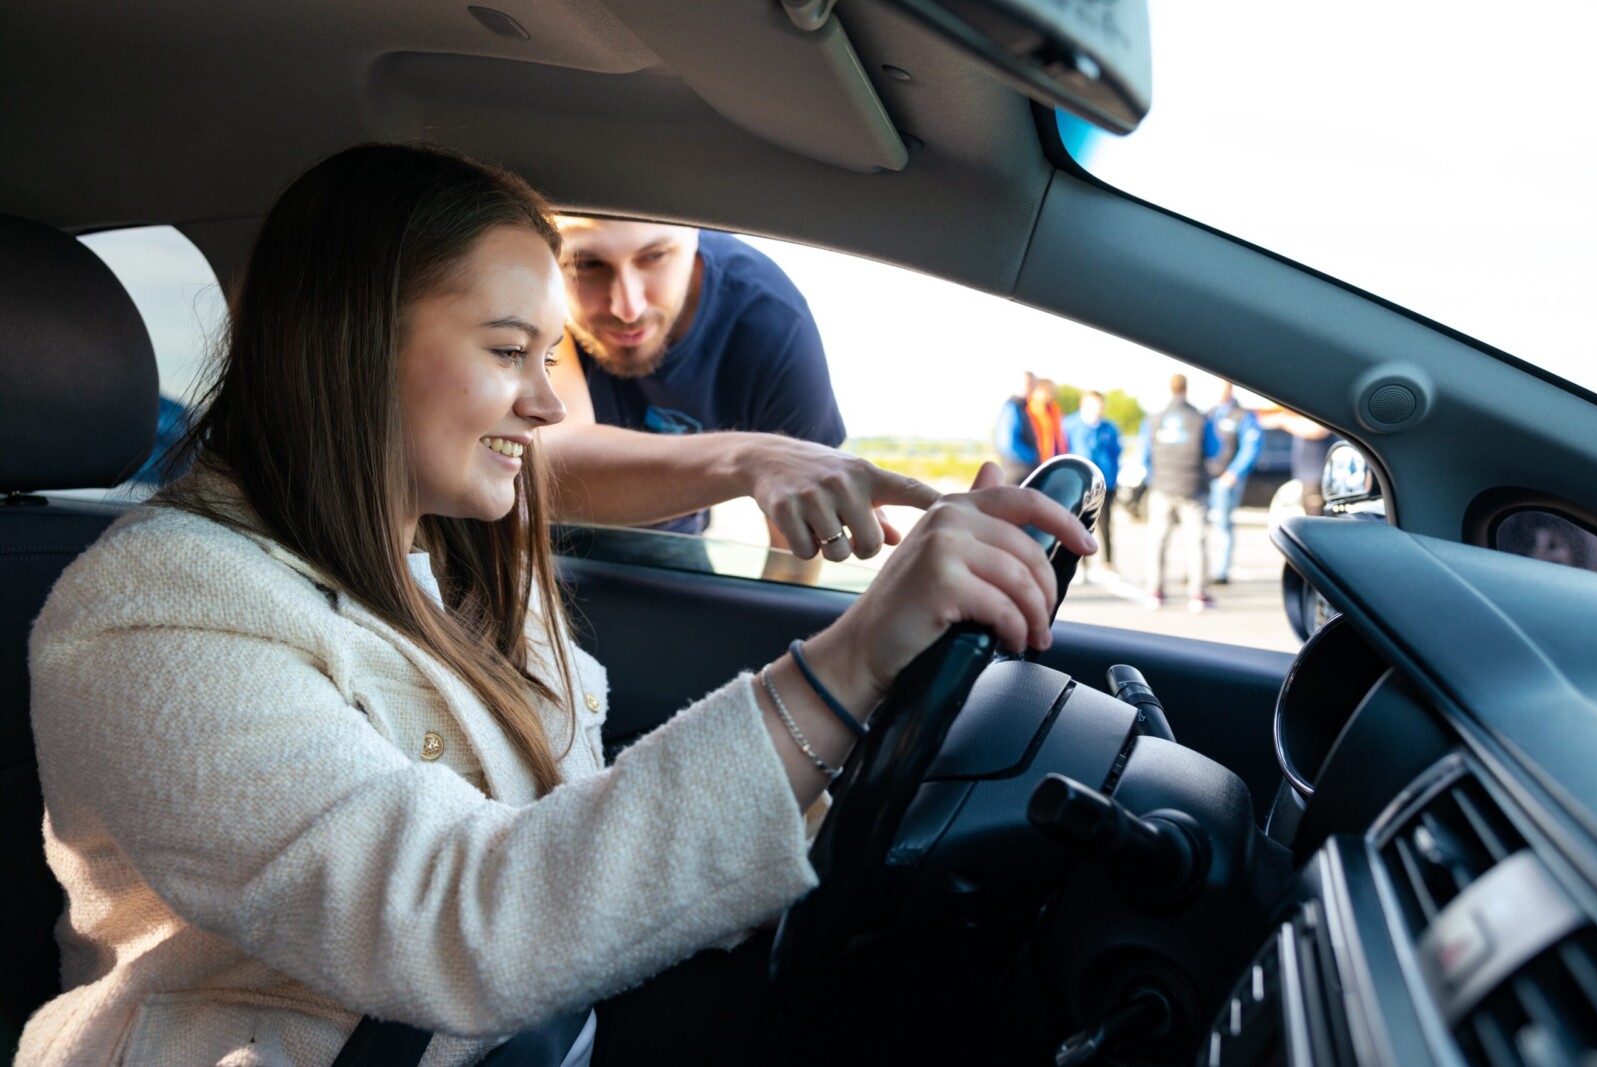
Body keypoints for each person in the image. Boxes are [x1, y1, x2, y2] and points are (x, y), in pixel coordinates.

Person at [21, 143, 1095, 1067]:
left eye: (549, 356)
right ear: (345, 348)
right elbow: (457, 921)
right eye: (505, 352)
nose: (544, 401)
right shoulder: (151, 612)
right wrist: (843, 668)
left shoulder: (452, 558)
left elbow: (563, 837)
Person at [546, 217, 874, 580]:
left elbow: (794, 553)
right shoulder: (537, 286)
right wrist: (751, 461)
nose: (628, 307)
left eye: (654, 256)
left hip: (661, 536)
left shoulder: (772, 321)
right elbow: (552, 465)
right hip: (519, 526)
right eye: (586, 264)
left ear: (696, 233)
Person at [1139, 373, 1220, 612]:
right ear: (1187, 389)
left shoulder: (1153, 419)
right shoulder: (1200, 419)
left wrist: (1156, 477)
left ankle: (1155, 590)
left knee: (1158, 540)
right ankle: (1198, 594)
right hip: (1192, 486)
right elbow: (1214, 451)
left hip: (1162, 486)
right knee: (1196, 541)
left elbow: (1144, 456)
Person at [1206, 383, 1262, 584]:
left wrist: (1234, 472)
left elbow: (1251, 446)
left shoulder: (1243, 415)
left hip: (1226, 479)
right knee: (1202, 524)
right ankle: (1200, 568)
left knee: (1222, 523)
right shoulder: (1210, 414)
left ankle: (1221, 571)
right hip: (1207, 477)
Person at [1062, 390, 1122, 573]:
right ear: (1084, 405)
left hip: (1105, 484)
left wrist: (1113, 478)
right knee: (1077, 524)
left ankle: (1108, 563)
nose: (1098, 408)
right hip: (1078, 484)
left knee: (1105, 524)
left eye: (1100, 404)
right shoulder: (1069, 425)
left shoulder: (1109, 428)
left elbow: (1115, 454)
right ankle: (1080, 565)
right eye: (1094, 404)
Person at [994, 371, 1041, 485]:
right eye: (1029, 384)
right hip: (1016, 474)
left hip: (1023, 472)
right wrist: (1032, 457)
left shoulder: (1023, 407)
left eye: (1033, 384)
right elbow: (1007, 444)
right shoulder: (1012, 407)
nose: (1032, 388)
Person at [1028, 378, 1068, 464]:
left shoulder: (1055, 409)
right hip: (1038, 460)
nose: (1053, 393)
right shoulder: (1030, 409)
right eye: (1050, 390)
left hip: (1056, 457)